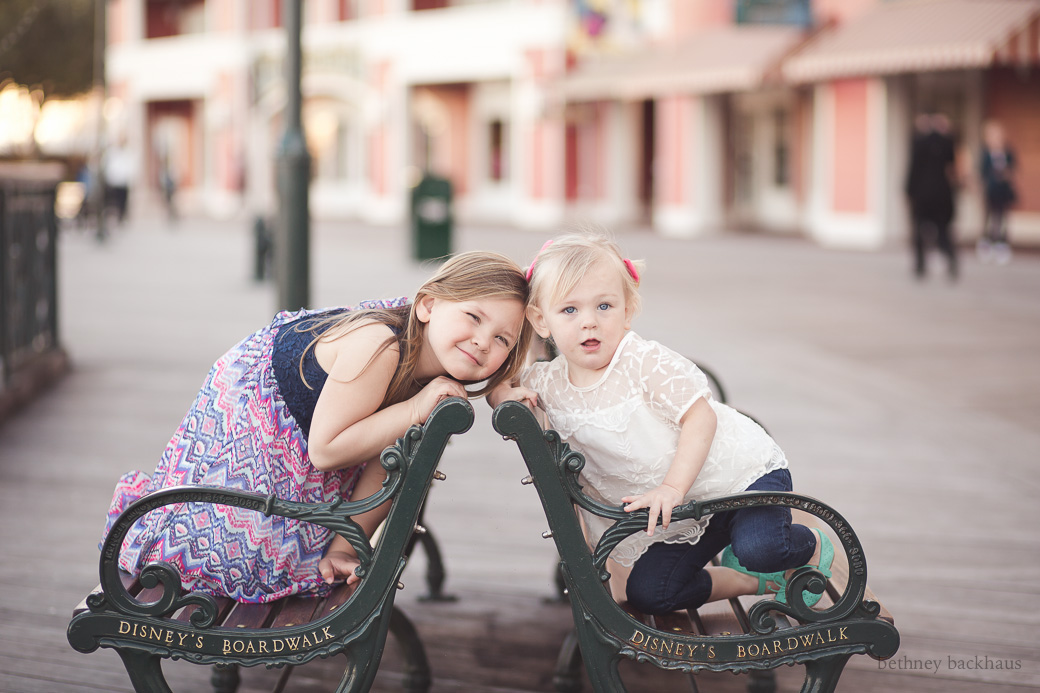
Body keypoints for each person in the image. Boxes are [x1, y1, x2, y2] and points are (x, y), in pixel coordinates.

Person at [102, 251, 533, 603]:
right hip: (252, 427)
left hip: (313, 434)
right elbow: (325, 450)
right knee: (247, 560)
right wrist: (417, 406)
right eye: (474, 318)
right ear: (428, 304)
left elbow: (388, 465)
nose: (483, 341)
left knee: (395, 443)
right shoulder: (381, 347)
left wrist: (344, 547)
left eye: (502, 340)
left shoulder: (438, 369)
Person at [489, 233, 832, 615]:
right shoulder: (546, 382)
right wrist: (500, 396)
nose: (589, 322)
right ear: (541, 319)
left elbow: (699, 416)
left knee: (762, 549)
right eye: (569, 310)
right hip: (688, 508)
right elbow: (501, 385)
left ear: (627, 309)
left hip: (738, 474)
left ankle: (811, 547)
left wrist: (672, 487)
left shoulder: (640, 361)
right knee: (652, 592)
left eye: (604, 306)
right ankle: (755, 580)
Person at [905, 112, 958, 280]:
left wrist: (908, 191)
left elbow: (913, 168)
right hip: (942, 194)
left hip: (922, 194)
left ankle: (921, 265)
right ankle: (950, 259)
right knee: (943, 230)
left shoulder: (918, 141)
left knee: (920, 229)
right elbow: (952, 168)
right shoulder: (946, 141)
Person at [978, 120, 1017, 264]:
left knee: (1003, 218)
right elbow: (982, 172)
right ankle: (986, 244)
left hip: (1003, 191)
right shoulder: (985, 153)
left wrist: (1006, 174)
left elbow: (1014, 169)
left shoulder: (1007, 152)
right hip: (991, 190)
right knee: (988, 218)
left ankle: (1002, 246)